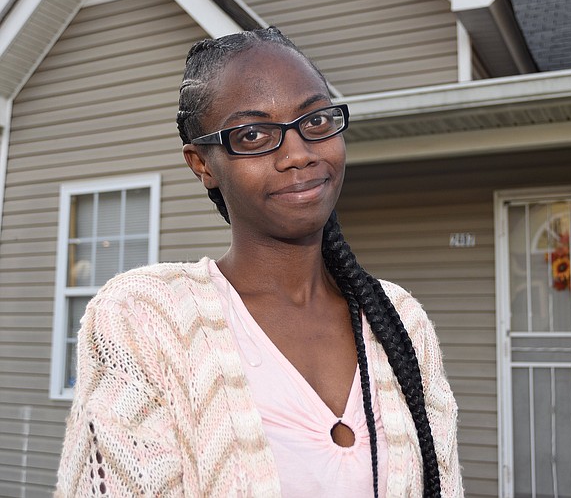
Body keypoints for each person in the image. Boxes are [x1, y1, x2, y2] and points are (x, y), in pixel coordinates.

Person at [55, 28, 463, 497]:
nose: (298, 153)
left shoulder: (400, 320)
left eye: (315, 120)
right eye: (252, 135)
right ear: (201, 164)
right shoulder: (145, 322)